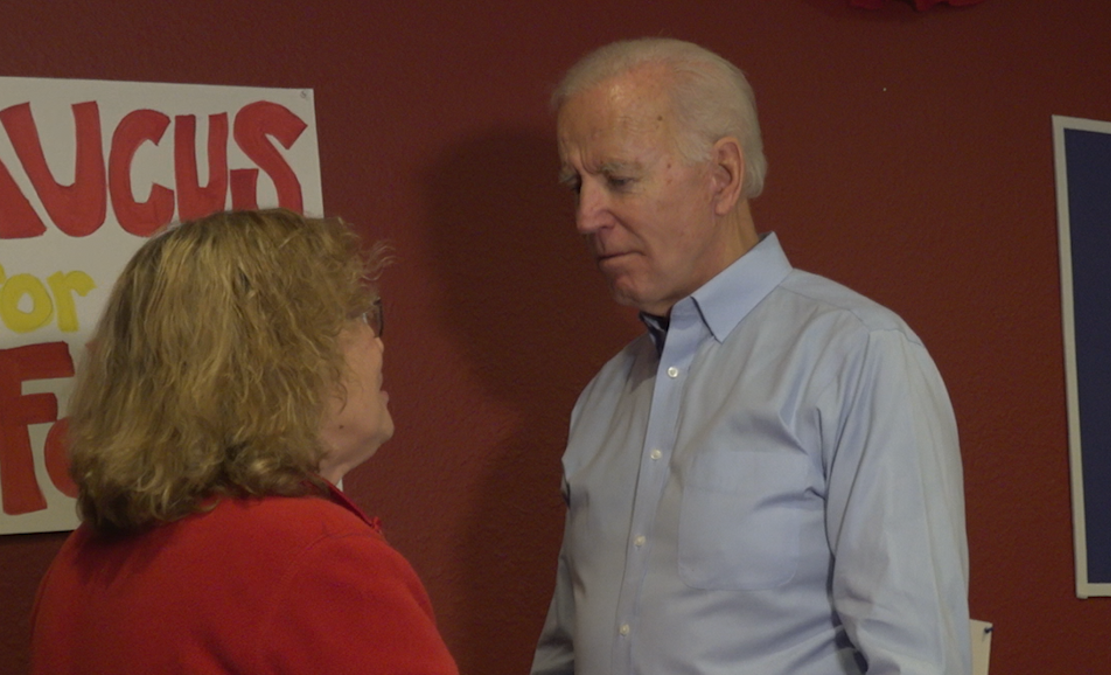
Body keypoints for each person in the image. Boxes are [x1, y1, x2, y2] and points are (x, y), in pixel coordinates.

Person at [531, 38, 970, 674]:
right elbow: (566, 651)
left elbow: (917, 657)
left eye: (618, 178)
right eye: (577, 183)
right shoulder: (603, 399)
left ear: (723, 176)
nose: (585, 215)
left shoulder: (858, 356)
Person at [31, 209, 459, 675]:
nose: (376, 342)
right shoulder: (319, 556)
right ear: (283, 357)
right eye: (354, 315)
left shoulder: (76, 563)